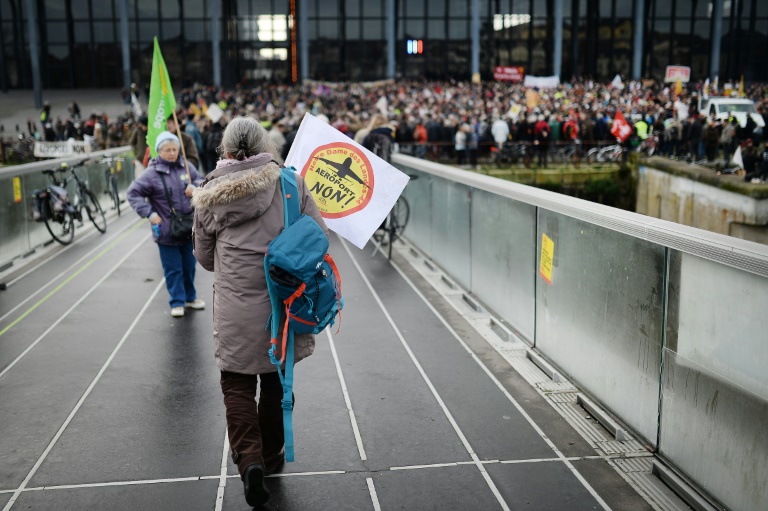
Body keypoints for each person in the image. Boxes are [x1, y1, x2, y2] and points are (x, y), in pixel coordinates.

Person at [191, 117, 327, 507]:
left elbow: (204, 258)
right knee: (275, 381)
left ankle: (249, 460)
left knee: (236, 384)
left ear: (226, 150)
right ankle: (271, 456)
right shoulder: (289, 182)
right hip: (282, 302)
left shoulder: (209, 192)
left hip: (234, 306)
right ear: (264, 143)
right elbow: (317, 235)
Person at [127, 131, 205, 317]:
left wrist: (195, 187)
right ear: (158, 152)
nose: (171, 153)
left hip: (187, 227)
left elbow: (203, 180)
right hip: (165, 229)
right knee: (173, 269)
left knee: (189, 266)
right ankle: (177, 301)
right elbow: (133, 193)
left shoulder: (186, 167)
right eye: (166, 150)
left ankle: (190, 298)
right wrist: (149, 213)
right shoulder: (151, 173)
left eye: (174, 149)